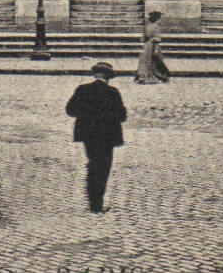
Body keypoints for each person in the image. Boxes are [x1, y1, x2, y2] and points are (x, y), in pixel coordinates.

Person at [65, 60, 127, 212]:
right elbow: (122, 115)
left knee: (93, 163)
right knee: (103, 168)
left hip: (88, 135)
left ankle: (93, 201)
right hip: (107, 137)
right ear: (109, 77)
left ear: (95, 74)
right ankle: (97, 203)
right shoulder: (113, 92)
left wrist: (86, 115)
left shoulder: (82, 90)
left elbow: (70, 110)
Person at [134, 11, 170, 84]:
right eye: (159, 18)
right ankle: (158, 76)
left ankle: (142, 76)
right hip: (153, 45)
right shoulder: (156, 26)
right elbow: (157, 38)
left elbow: (143, 38)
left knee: (145, 60)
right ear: (157, 18)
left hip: (147, 46)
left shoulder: (147, 26)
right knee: (156, 61)